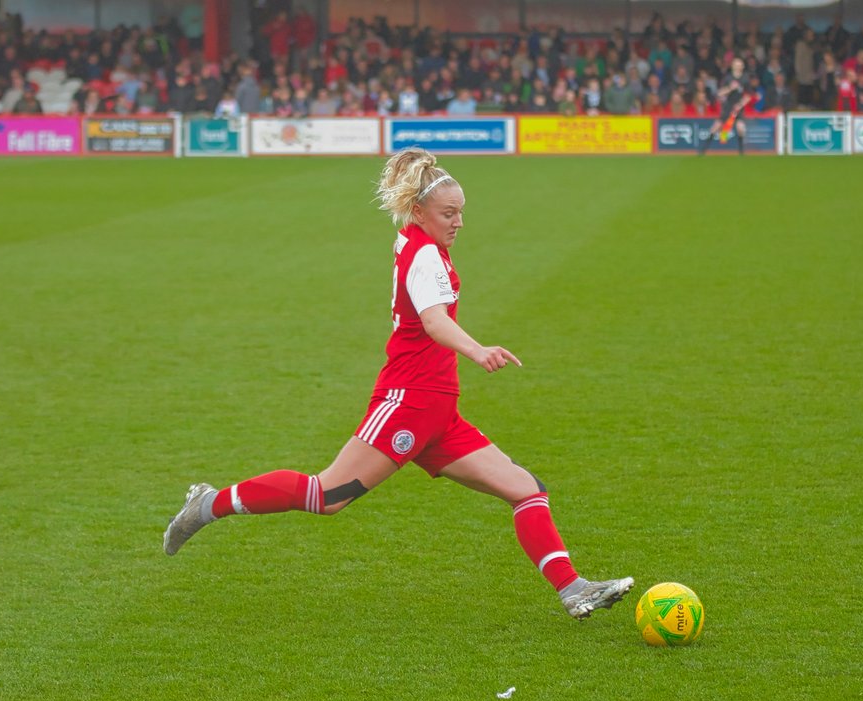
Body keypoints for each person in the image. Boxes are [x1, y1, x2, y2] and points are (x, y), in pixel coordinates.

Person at [163, 147, 634, 621]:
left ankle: (573, 589)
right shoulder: (425, 254)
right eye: (449, 213)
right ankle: (209, 504)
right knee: (326, 496)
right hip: (408, 401)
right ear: (418, 211)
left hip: (439, 414)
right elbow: (432, 321)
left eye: (461, 212)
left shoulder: (415, 240)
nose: (459, 222)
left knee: (525, 489)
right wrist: (478, 350)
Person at [698, 57, 751, 155]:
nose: (738, 66)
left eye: (740, 65)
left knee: (741, 128)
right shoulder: (728, 78)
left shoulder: (745, 78)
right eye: (736, 64)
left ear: (742, 67)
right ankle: (703, 151)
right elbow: (720, 93)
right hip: (728, 107)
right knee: (715, 127)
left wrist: (741, 104)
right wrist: (730, 88)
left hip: (738, 108)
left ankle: (741, 153)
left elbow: (748, 95)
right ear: (732, 66)